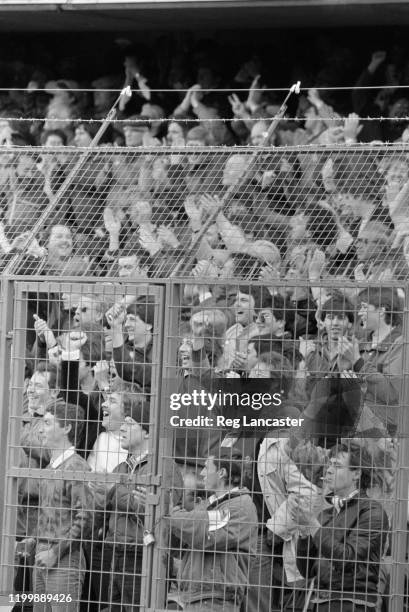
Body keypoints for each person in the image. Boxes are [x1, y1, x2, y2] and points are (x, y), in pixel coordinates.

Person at [93, 395, 182, 611]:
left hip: (144, 555)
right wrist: (99, 495)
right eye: (122, 423)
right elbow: (112, 507)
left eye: (130, 423)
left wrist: (113, 491)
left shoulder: (164, 468)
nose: (122, 428)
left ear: (148, 431)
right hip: (115, 551)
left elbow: (157, 513)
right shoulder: (121, 468)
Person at [293, 442, 389, 612]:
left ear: (357, 474)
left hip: (354, 603)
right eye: (329, 464)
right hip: (321, 602)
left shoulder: (372, 511)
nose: (328, 470)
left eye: (337, 465)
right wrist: (303, 534)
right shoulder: (326, 514)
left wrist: (313, 527)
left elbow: (347, 558)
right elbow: (306, 570)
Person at [168, 450, 258, 612]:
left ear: (222, 472)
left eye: (206, 467)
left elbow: (202, 531)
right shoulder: (210, 504)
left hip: (216, 597)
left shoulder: (240, 506)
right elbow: (181, 542)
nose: (202, 473)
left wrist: (169, 514)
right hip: (199, 595)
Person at [29, 401, 93, 611]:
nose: (40, 429)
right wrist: (34, 540)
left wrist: (56, 552)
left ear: (67, 428)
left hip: (63, 560)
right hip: (42, 553)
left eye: (47, 423)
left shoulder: (76, 466)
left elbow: (85, 518)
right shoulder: (50, 467)